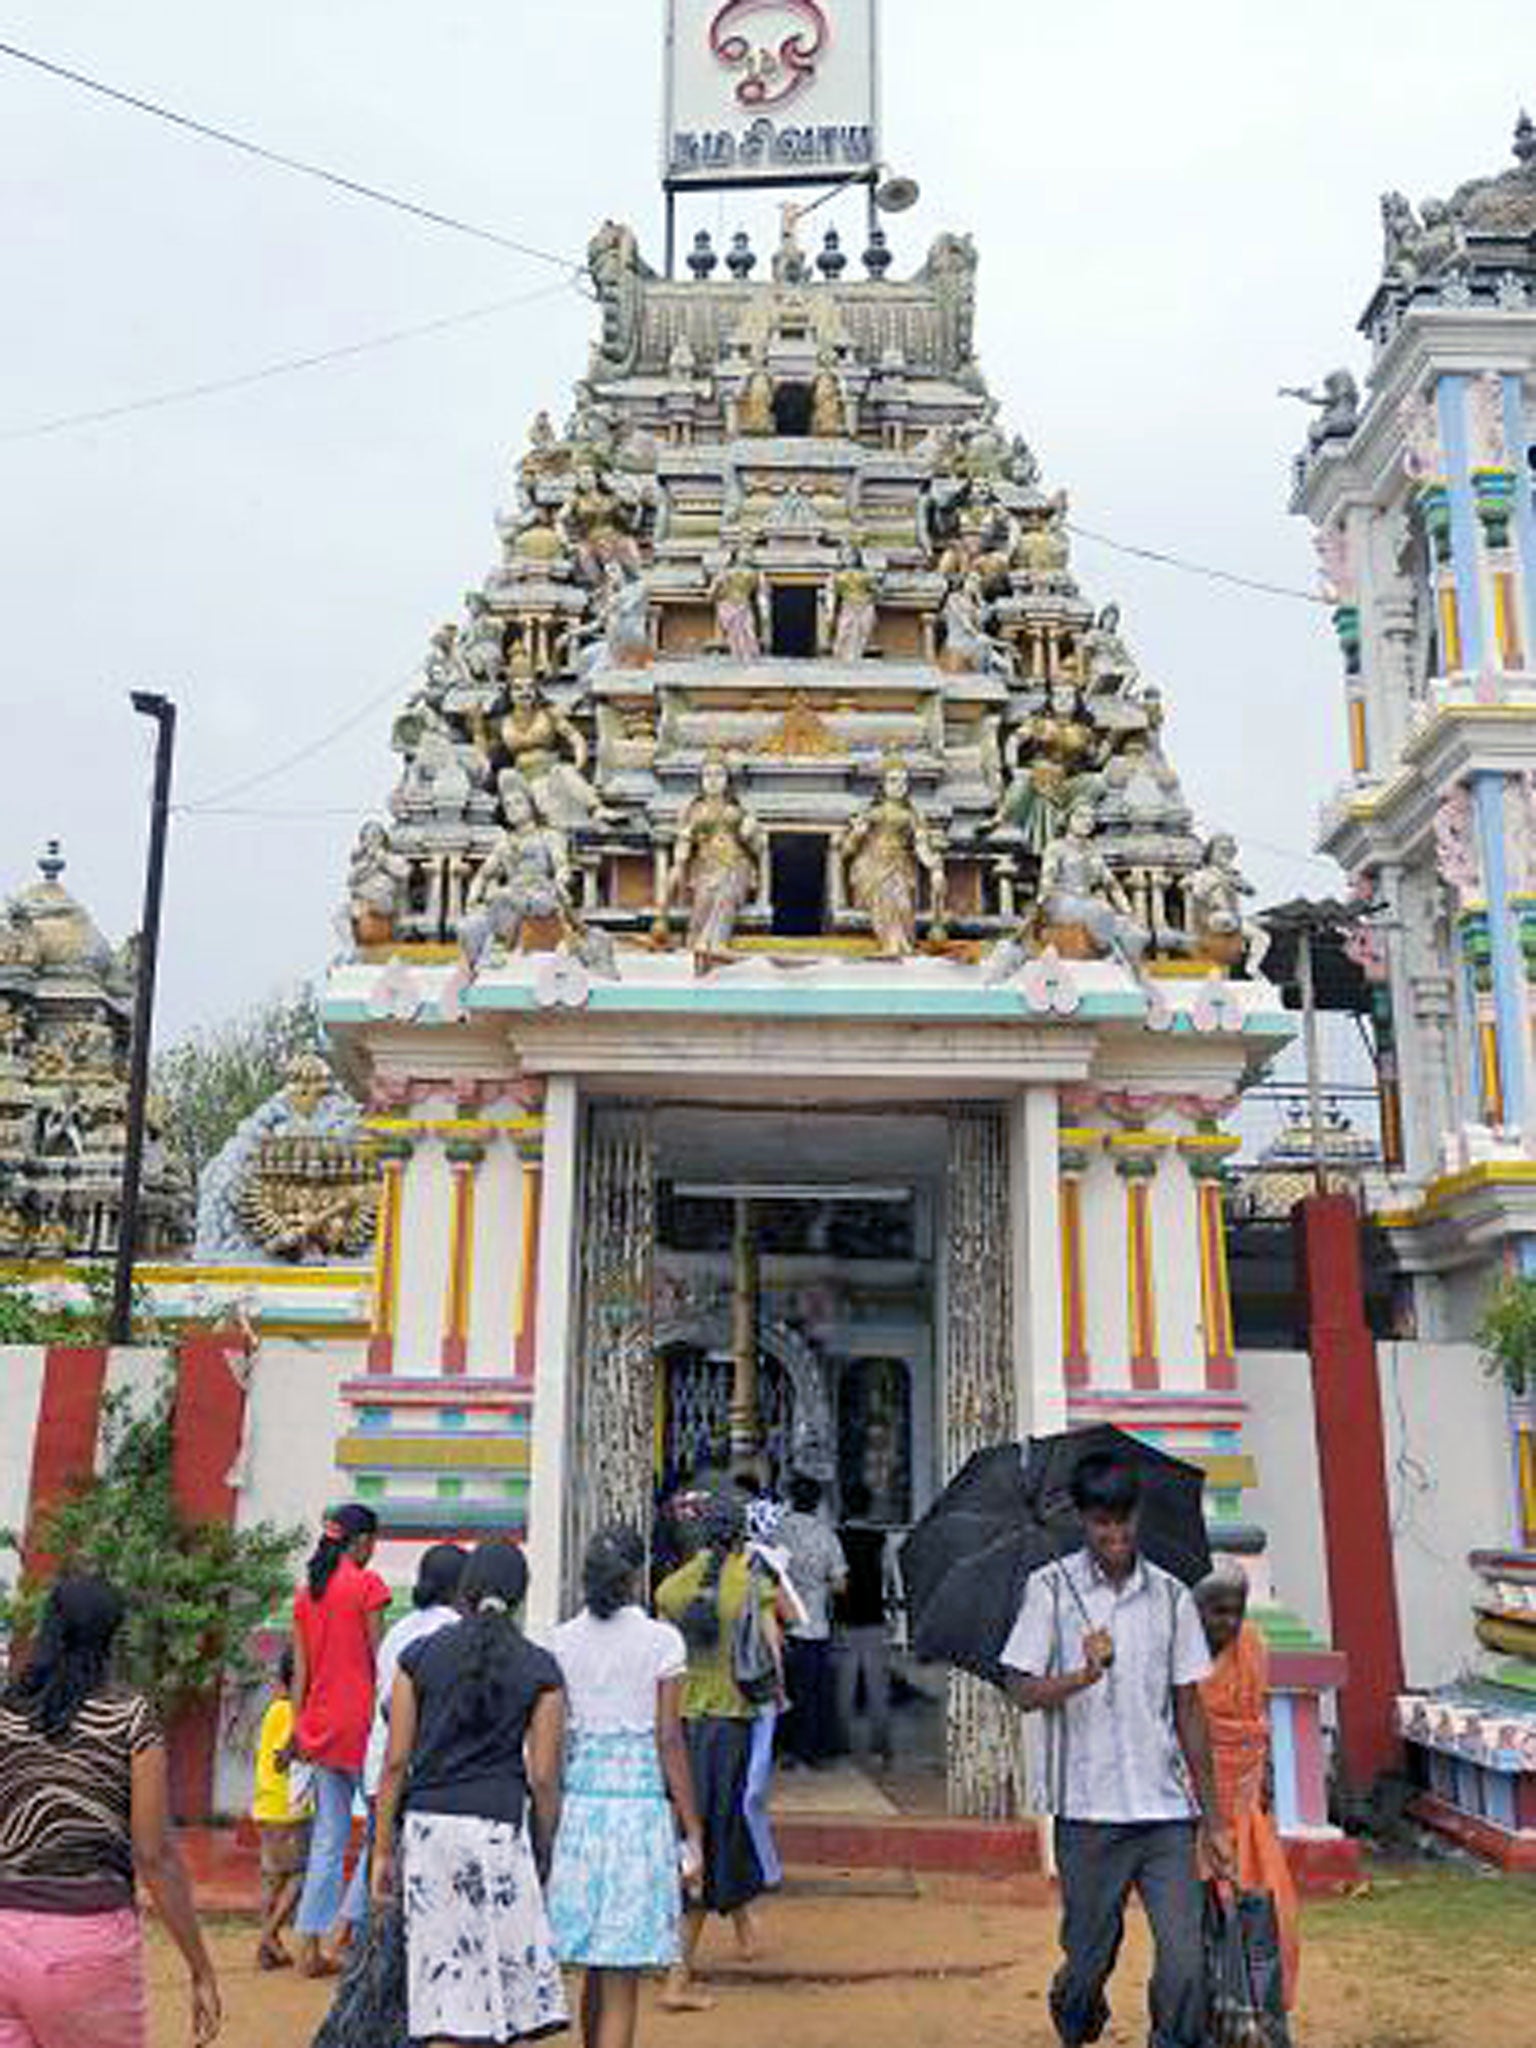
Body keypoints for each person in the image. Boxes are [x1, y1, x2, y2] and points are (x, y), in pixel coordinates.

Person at [1001, 1454, 1233, 2048]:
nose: (1116, 1536)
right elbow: (1021, 1690)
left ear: (1139, 1517)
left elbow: (1189, 1709)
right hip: (1087, 1813)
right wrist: (1081, 1674)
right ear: (1082, 1520)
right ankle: (1074, 2017)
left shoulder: (1174, 1598)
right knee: (1087, 1962)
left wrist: (1215, 1820)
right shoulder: (1047, 1591)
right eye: (1103, 1523)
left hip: (1165, 1813)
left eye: (1124, 1522)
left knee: (1184, 1962)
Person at [0, 1574, 221, 2048]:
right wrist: (200, 1968)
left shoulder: (6, 1713)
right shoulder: (129, 1718)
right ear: (111, 1636)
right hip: (85, 1944)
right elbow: (154, 1854)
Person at [371, 1540, 567, 2046]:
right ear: (521, 1596)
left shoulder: (418, 1658)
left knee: (442, 1990)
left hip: (429, 1831)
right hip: (500, 1831)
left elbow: (395, 1762)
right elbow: (544, 1776)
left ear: (465, 1591)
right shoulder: (540, 1668)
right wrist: (546, 1846)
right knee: (503, 1994)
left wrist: (382, 1851)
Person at [548, 1526, 703, 2048]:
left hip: (580, 1810)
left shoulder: (561, 1640)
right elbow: (668, 1738)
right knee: (621, 1983)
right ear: (639, 1576)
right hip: (637, 1814)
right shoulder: (662, 1641)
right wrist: (693, 1827)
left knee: (591, 1967)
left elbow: (553, 1740)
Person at [654, 1494, 778, 2007]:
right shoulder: (751, 1585)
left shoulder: (670, 1590)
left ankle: (746, 1929)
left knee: (706, 1827)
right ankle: (677, 1976)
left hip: (682, 1728)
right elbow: (771, 1651)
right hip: (731, 1726)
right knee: (711, 1838)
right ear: (738, 1537)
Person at [290, 1502, 391, 1976]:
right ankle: (346, 1928)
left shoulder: (307, 1592)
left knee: (327, 1839)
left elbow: (302, 1672)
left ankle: (309, 1944)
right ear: (361, 1541)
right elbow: (380, 1661)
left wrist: (297, 1726)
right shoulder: (368, 1586)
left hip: (319, 1723)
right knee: (379, 1831)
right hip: (364, 1724)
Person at [1195, 1565, 1300, 2013]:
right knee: (1202, 1927)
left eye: (1236, 1612)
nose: (1228, 1623)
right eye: (1217, 1612)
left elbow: (1258, 1724)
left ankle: (1265, 2016)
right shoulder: (1178, 1658)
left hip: (1247, 1806)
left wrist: (1265, 1783)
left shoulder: (1253, 1645)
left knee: (1272, 1917)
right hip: (1195, 1810)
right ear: (1196, 1610)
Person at [776, 1474, 846, 1770]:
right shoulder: (826, 1534)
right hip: (816, 1626)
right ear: (818, 1503)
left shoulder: (778, 1533)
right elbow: (841, 1584)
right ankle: (813, 1752)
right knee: (814, 1692)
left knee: (785, 1691)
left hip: (782, 1626)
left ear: (791, 1499)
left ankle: (786, 1750)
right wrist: (819, 1588)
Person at [251, 1644, 311, 1971]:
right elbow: (283, 1758)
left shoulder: (274, 1709)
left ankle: (268, 1947)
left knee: (271, 1878)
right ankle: (268, 1936)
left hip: (266, 1804)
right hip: (288, 1807)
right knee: (300, 1875)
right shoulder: (292, 1712)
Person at [833, 1483, 895, 1770]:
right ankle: (880, 1749)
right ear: (868, 1507)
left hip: (844, 1620)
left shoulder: (836, 1538)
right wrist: (892, 1613)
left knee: (844, 1688)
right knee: (877, 1688)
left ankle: (842, 1746)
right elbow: (888, 1579)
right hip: (874, 1619)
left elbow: (832, 1582)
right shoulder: (880, 1539)